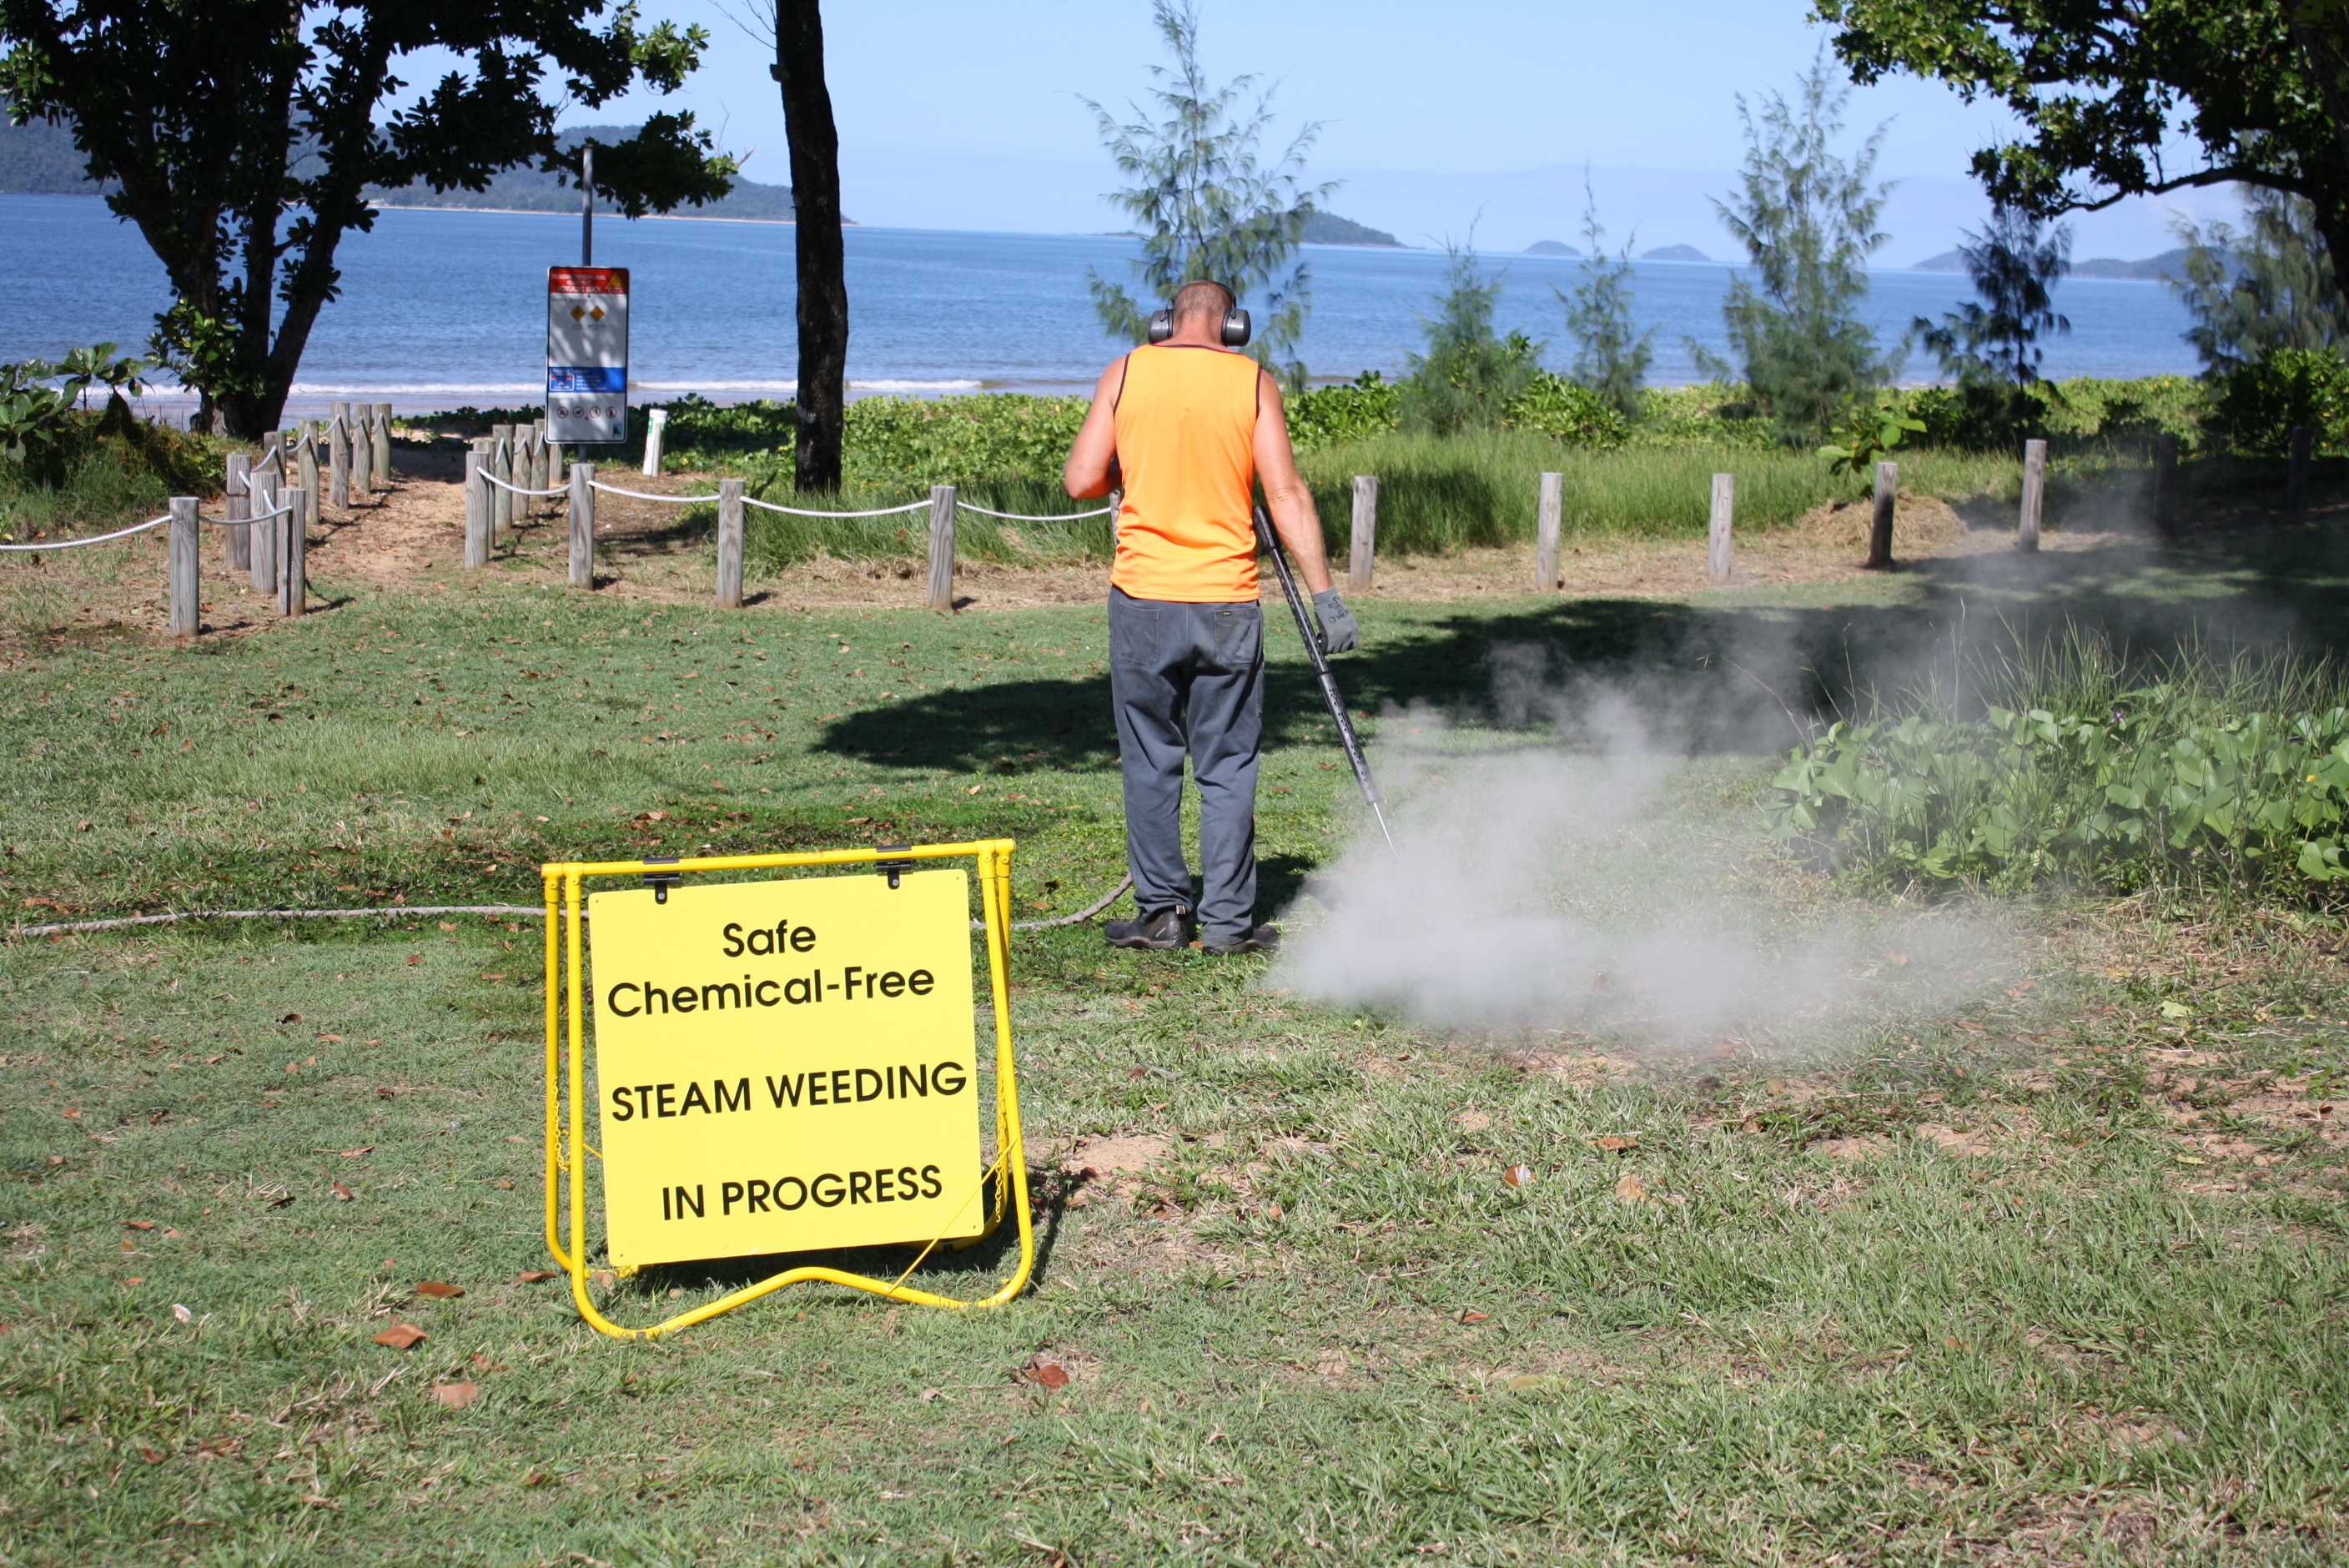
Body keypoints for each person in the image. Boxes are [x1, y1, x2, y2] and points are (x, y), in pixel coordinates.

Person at [1061, 279, 1360, 955]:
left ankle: (1163, 914)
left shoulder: (1125, 371)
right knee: (1228, 764)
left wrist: (1128, 473)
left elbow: (1081, 480)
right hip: (1227, 602)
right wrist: (1326, 598)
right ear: (1234, 326)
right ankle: (1228, 925)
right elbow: (1285, 493)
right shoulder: (1253, 383)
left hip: (1144, 600)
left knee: (1150, 759)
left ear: (1165, 322)